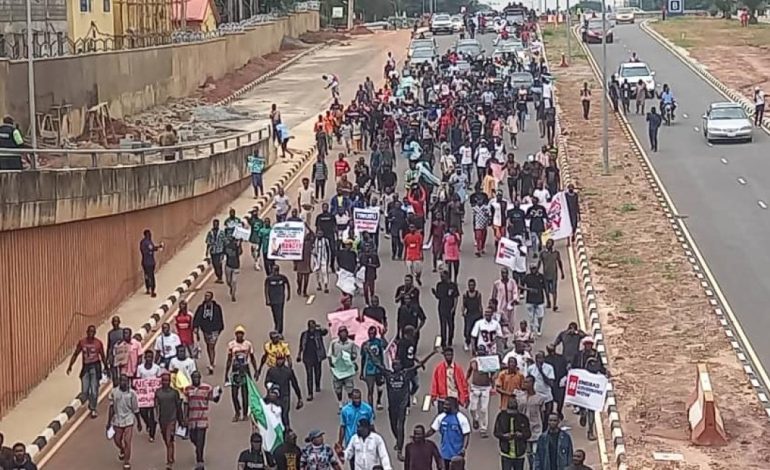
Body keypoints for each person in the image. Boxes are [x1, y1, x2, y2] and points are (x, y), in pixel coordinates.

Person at [66, 324, 108, 419]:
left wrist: (106, 367)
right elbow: (76, 354)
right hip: (86, 368)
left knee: (94, 390)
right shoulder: (82, 343)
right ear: (87, 332)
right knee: (84, 391)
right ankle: (91, 402)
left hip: (95, 367)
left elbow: (102, 356)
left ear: (95, 333)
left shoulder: (98, 343)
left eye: (93, 332)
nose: (91, 334)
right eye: (89, 332)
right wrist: (70, 366)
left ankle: (93, 408)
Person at [107, 374, 142, 469]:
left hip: (129, 419)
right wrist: (108, 422)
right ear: (119, 381)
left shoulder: (132, 393)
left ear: (128, 382)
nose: (124, 383)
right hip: (117, 419)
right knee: (117, 440)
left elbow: (135, 409)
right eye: (122, 380)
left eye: (125, 381)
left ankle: (127, 461)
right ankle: (122, 449)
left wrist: (139, 422)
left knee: (127, 441)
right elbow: (111, 408)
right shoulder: (114, 392)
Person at [426, 397, 471, 468]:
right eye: (444, 404)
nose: (444, 406)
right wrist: (423, 436)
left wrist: (463, 448)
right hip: (444, 453)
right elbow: (432, 430)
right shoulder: (441, 417)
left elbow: (466, 434)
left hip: (457, 454)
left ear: (453, 406)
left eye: (447, 405)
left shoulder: (461, 418)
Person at [224, 325, 258, 422]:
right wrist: (226, 374)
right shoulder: (231, 344)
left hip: (245, 369)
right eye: (238, 334)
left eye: (241, 334)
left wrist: (256, 370)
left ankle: (244, 413)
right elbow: (229, 359)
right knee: (234, 393)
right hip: (235, 369)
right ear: (235, 335)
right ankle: (237, 412)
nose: (239, 335)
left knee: (245, 393)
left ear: (243, 335)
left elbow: (252, 358)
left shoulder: (248, 344)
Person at [514, 376, 545, 468]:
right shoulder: (520, 397)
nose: (525, 384)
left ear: (532, 383)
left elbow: (542, 414)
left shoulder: (540, 398)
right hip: (524, 429)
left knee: (535, 453)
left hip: (536, 428)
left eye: (527, 382)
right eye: (525, 382)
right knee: (528, 453)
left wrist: (542, 425)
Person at [265, 354, 303, 428]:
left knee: (285, 414)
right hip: (274, 397)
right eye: (278, 359)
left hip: (285, 396)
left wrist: (299, 397)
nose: (280, 361)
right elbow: (266, 382)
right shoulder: (271, 371)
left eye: (281, 359)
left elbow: (295, 384)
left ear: (284, 360)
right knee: (275, 414)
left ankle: (287, 429)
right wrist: (271, 388)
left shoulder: (288, 371)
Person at [494, 397, 532, 470]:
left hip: (519, 453)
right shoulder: (501, 417)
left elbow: (528, 434)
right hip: (506, 453)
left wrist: (521, 435)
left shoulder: (523, 418)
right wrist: (504, 436)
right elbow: (496, 432)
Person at [154, 372, 183, 468]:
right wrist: (156, 418)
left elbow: (178, 407)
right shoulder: (158, 392)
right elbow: (156, 406)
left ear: (170, 381)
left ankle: (169, 461)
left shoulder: (174, 393)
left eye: (167, 380)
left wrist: (181, 420)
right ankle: (171, 453)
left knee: (169, 439)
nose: (165, 382)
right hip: (162, 420)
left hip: (172, 419)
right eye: (164, 380)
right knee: (166, 440)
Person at [328, 327, 360, 410]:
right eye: (341, 332)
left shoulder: (351, 343)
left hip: (348, 369)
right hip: (337, 370)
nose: (343, 334)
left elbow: (354, 354)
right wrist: (331, 364)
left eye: (344, 332)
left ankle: (349, 403)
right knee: (338, 388)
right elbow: (330, 355)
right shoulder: (334, 343)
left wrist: (351, 358)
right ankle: (340, 403)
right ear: (338, 334)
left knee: (349, 387)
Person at [193, 291, 224, 375]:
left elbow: (220, 318)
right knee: (208, 346)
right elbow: (197, 318)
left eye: (208, 296)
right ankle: (211, 361)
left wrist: (220, 328)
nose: (206, 297)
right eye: (205, 295)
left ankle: (211, 363)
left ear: (211, 297)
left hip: (214, 330)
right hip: (205, 330)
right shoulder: (201, 307)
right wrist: (196, 327)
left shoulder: (216, 307)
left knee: (211, 346)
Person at [466, 345, 494, 438]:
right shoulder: (473, 361)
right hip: (475, 387)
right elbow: (469, 371)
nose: (481, 353)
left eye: (483, 352)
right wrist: (465, 381)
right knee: (472, 408)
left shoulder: (488, 362)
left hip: (486, 388)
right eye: (480, 352)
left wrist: (493, 386)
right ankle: (476, 419)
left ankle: (483, 429)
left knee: (484, 409)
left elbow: (493, 374)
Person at [430, 347, 470, 412]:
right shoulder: (439, 368)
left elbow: (463, 383)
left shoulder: (458, 369)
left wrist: (466, 397)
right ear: (444, 356)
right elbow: (435, 383)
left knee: (454, 418)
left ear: (453, 355)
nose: (449, 357)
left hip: (454, 397)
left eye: (450, 355)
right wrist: (433, 395)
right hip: (442, 398)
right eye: (447, 355)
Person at [337, 389, 375, 458]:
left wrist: (374, 440)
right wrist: (340, 442)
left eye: (358, 398)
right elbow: (343, 426)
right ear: (351, 398)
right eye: (355, 398)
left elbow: (371, 425)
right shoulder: (345, 410)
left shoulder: (367, 409)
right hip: (350, 441)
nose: (357, 400)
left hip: (364, 441)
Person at [298, 319, 328, 401]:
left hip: (317, 356)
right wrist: (299, 355)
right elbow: (301, 345)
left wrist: (320, 327)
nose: (312, 326)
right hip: (307, 357)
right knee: (309, 375)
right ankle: (310, 393)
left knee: (318, 372)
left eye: (313, 325)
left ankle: (317, 385)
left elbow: (325, 332)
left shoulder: (318, 333)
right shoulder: (304, 334)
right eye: (310, 325)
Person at [432, 270, 460, 348]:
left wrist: (454, 308)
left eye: (443, 276)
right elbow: (438, 296)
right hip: (441, 307)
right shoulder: (439, 285)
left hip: (450, 307)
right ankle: (443, 342)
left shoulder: (453, 285)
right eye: (441, 276)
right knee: (443, 325)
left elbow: (456, 297)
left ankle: (450, 339)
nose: (441, 278)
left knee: (451, 325)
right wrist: (435, 294)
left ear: (447, 276)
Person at [361, 326, 386, 410]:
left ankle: (378, 400)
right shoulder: (365, 344)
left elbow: (386, 346)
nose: (371, 335)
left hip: (379, 369)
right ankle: (370, 408)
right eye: (370, 333)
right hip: (369, 370)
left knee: (380, 387)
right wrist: (362, 372)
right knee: (370, 389)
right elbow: (363, 358)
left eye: (373, 333)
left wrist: (382, 336)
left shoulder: (379, 342)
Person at [527, 352, 556, 424]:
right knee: (537, 416)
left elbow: (551, 383)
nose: (539, 360)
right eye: (537, 358)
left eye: (541, 358)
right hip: (536, 396)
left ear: (544, 359)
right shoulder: (531, 368)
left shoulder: (549, 368)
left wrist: (541, 371)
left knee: (547, 417)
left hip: (547, 397)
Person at [265, 265, 291, 334]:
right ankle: (277, 326)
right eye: (274, 270)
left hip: (280, 299)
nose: (275, 272)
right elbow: (266, 289)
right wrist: (267, 299)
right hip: (272, 299)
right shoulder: (269, 279)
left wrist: (289, 295)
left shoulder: (282, 278)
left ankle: (279, 330)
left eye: (276, 270)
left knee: (280, 315)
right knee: (275, 315)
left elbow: (288, 285)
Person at [522, 264, 547, 336]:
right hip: (530, 300)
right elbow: (520, 285)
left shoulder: (541, 277)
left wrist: (548, 299)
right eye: (532, 268)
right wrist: (528, 289)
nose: (533, 270)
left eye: (534, 268)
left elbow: (545, 287)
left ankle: (539, 327)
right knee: (531, 317)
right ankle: (532, 330)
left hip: (540, 300)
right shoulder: (527, 277)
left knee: (540, 316)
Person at [545, 344, 569, 420]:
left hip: (559, 381)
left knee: (559, 399)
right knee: (553, 398)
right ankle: (552, 413)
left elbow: (566, 368)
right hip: (552, 382)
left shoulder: (561, 358)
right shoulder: (546, 360)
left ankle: (558, 411)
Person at [139, 229, 163, 297]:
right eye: (149, 234)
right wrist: (159, 247)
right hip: (149, 262)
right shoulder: (147, 242)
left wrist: (157, 248)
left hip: (145, 262)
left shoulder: (143, 242)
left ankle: (148, 289)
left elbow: (151, 248)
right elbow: (151, 248)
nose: (150, 235)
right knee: (151, 276)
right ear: (147, 235)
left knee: (146, 275)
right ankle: (152, 290)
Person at [205, 219, 226, 283]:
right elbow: (208, 242)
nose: (215, 225)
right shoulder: (210, 233)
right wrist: (207, 251)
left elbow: (224, 242)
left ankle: (220, 277)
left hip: (220, 250)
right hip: (213, 251)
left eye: (216, 224)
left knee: (218, 264)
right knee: (214, 264)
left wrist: (224, 251)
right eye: (214, 224)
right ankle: (218, 276)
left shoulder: (221, 233)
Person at [224, 235, 243, 302]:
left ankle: (233, 295)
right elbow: (223, 253)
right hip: (228, 266)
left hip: (236, 266)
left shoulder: (237, 247)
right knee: (228, 281)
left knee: (234, 281)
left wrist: (240, 245)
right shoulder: (227, 247)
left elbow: (240, 252)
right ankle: (231, 288)